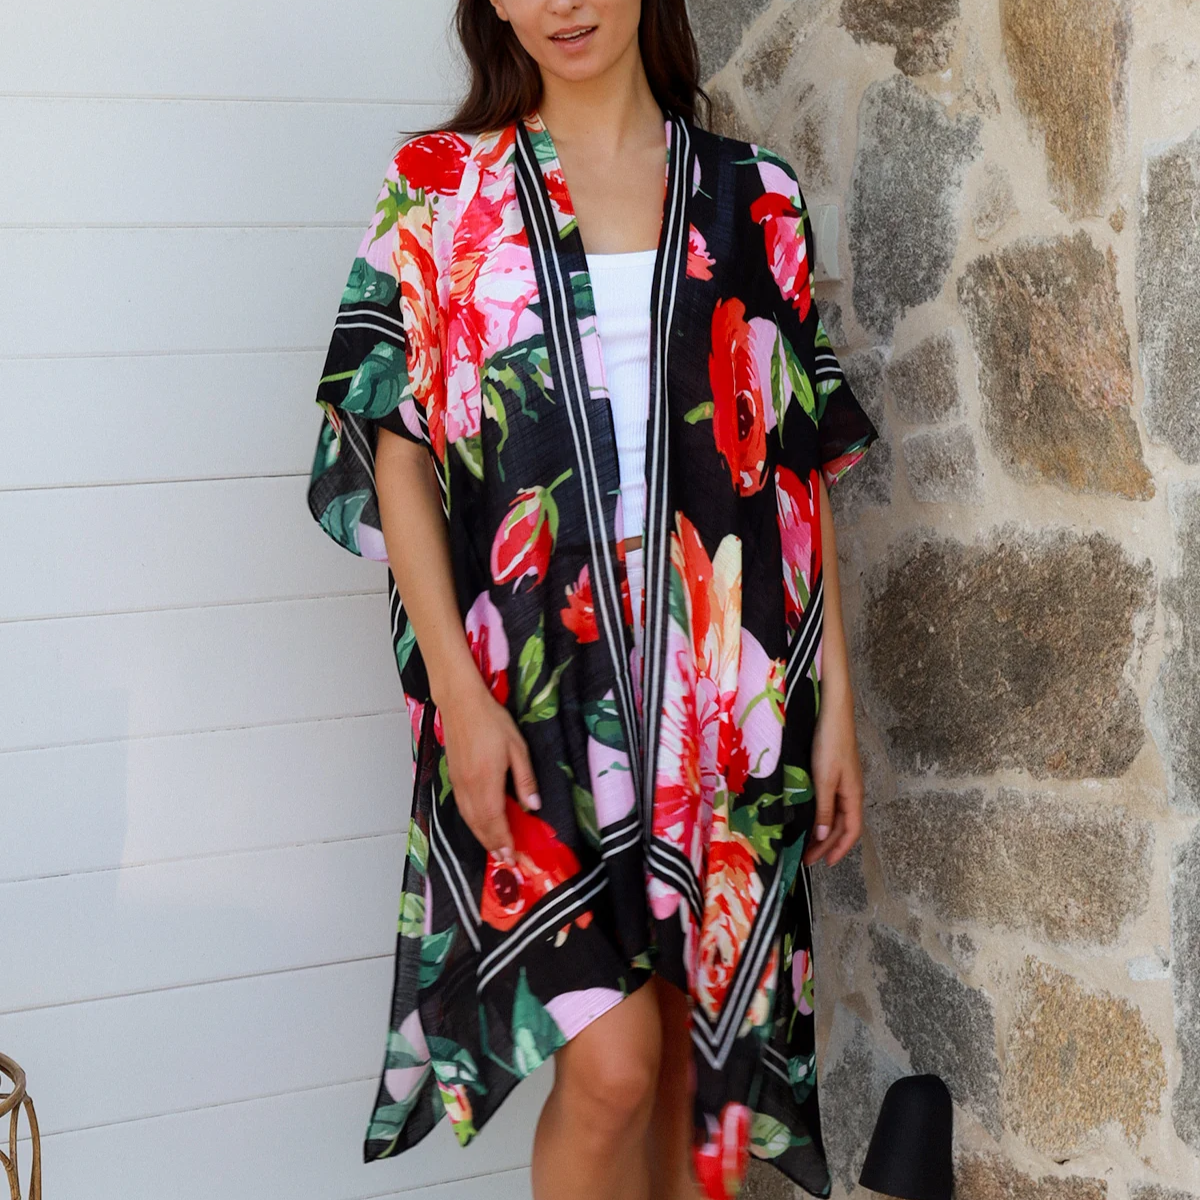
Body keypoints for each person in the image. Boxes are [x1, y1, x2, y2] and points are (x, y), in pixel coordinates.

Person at [304, 1, 880, 1197]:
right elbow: (394, 450)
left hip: (723, 704)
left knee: (692, 1077)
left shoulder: (756, 197)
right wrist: (460, 704)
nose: (565, 4)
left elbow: (796, 467)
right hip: (532, 697)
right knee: (613, 1068)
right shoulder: (441, 189)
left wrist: (835, 711)